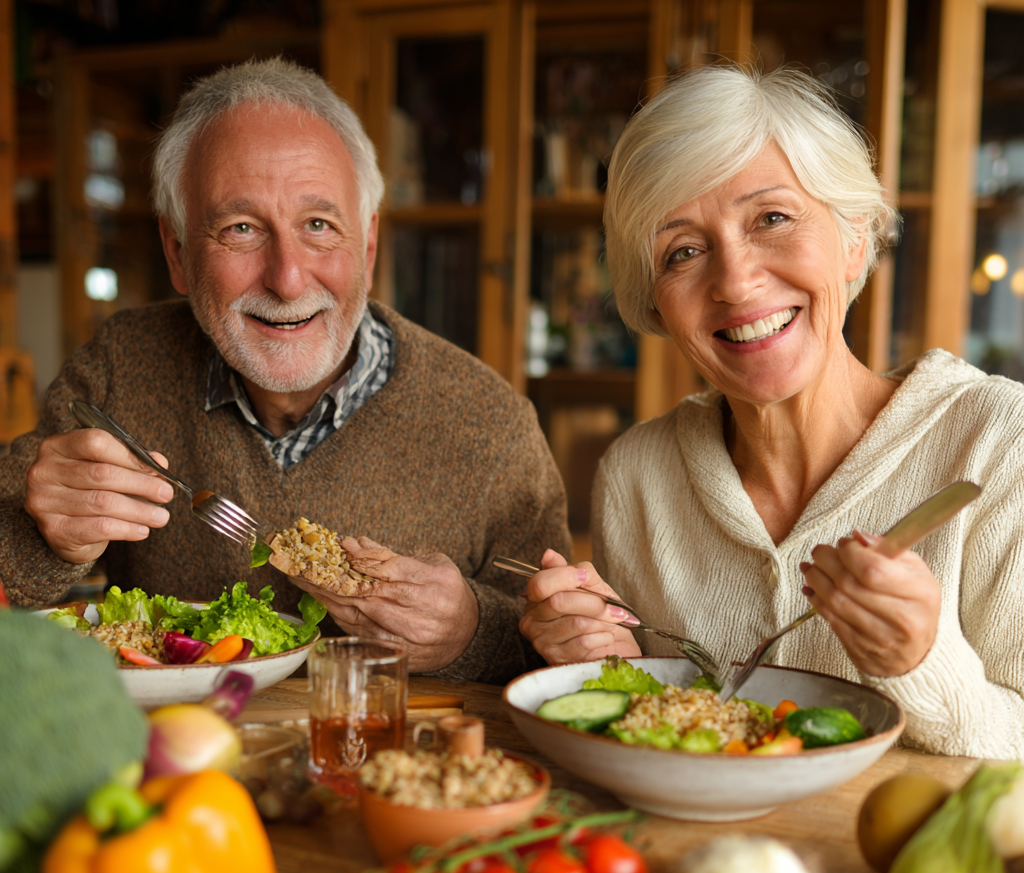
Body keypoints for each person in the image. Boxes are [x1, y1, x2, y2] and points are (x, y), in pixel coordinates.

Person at [0, 57, 570, 684]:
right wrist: (49, 540)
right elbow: (18, 597)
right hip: (175, 767)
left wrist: (469, 632)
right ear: (178, 253)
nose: (288, 278)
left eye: (319, 226)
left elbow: (558, 648)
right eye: (241, 229)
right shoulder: (118, 366)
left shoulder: (491, 423)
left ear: (370, 246)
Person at [520, 65, 1024, 757]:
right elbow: (669, 741)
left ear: (854, 239)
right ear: (657, 303)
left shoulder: (999, 442)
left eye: (773, 218)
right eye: (684, 251)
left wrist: (922, 661)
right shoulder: (637, 476)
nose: (735, 281)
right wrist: (596, 666)